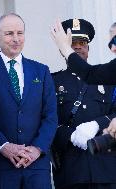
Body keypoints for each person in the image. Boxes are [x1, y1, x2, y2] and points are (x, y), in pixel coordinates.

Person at [0, 13, 58, 189]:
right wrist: (3, 145)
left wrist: (37, 149)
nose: (16, 39)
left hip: (36, 165)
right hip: (0, 164)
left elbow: (50, 116)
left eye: (20, 33)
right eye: (9, 33)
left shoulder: (41, 71)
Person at [52, 18, 116, 189]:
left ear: (88, 47)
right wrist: (69, 135)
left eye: (82, 42)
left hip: (106, 169)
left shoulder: (108, 79)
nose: (78, 46)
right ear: (62, 49)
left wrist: (98, 124)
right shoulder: (51, 82)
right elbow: (46, 120)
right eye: (72, 43)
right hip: (72, 171)